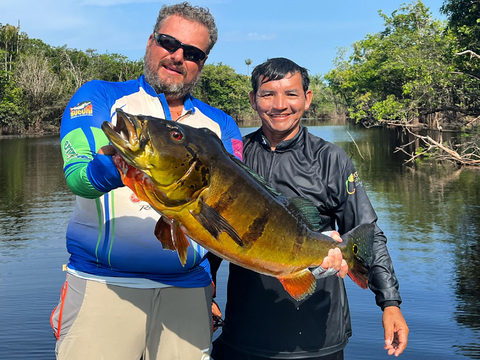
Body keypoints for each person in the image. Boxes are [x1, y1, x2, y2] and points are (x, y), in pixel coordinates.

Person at [50, 2, 243, 359]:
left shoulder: (221, 126)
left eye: (193, 52)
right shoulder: (100, 97)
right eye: (169, 42)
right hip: (103, 284)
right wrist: (128, 166)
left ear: (202, 62)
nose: (178, 57)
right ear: (150, 41)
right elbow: (78, 178)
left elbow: (228, 211)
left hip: (189, 290)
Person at [209, 58, 409, 360]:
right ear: (253, 100)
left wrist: (390, 302)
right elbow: (213, 233)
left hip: (319, 335)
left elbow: (367, 233)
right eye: (267, 94)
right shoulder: (234, 159)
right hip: (244, 332)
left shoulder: (331, 159)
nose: (280, 105)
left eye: (291, 93)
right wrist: (206, 292)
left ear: (307, 98)